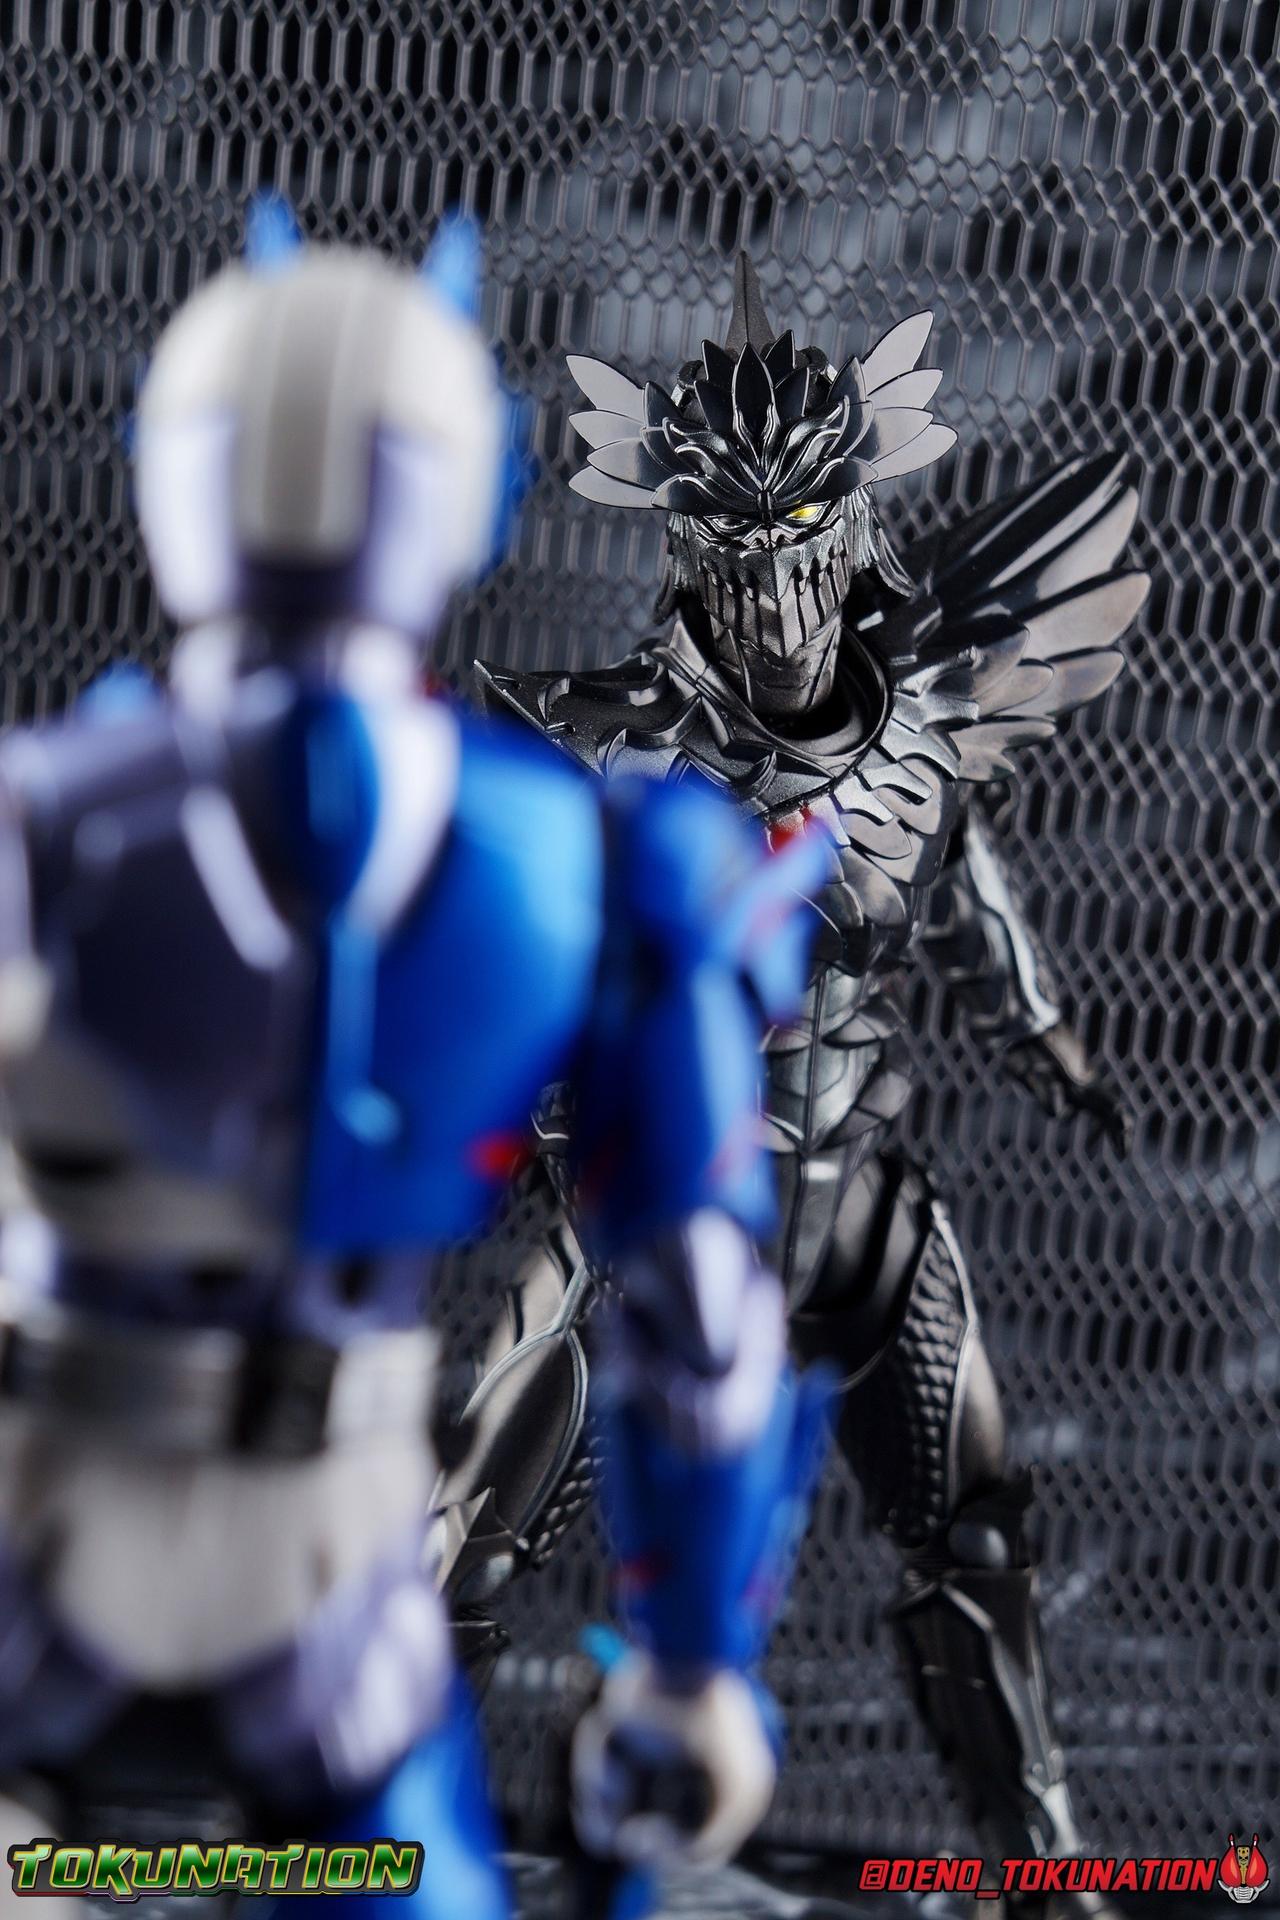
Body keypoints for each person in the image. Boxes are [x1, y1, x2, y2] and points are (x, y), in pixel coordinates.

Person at [0, 227, 830, 1918]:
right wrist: (690, 1672)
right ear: (461, 496)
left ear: (177, 473)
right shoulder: (588, 862)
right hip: (328, 1594)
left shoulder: (46, 820)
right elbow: (701, 1320)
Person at [439, 251, 1148, 1916]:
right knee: (451, 1547)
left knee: (977, 1536)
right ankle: (372, 1856)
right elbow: (503, 941)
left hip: (860, 1208)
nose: (772, 607)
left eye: (801, 551)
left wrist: (1043, 1026)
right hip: (650, 1214)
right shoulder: (602, 746)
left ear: (849, 530)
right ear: (688, 551)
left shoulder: (924, 722)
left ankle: (1047, 1871)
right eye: (736, 561)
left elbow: (959, 876)